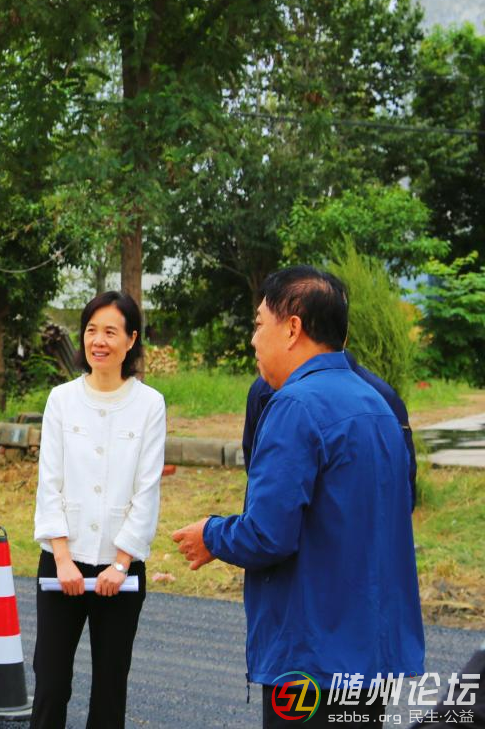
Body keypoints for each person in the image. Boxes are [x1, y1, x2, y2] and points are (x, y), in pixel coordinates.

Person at [173, 266, 424, 728]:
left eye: (258, 324)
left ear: (292, 328)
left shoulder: (295, 405)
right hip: (368, 651)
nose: (254, 339)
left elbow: (268, 535)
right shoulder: (377, 403)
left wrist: (211, 534)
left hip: (313, 657)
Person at [31, 290, 166, 729]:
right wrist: (62, 559)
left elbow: (147, 490)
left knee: (110, 688)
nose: (98, 341)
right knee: (51, 684)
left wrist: (122, 562)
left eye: (110, 331)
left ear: (131, 340)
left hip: (119, 572)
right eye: (91, 330)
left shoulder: (149, 404)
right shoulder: (61, 399)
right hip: (62, 565)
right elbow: (49, 482)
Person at [242, 352, 417, 507]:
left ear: (293, 331)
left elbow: (402, 493)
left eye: (260, 327)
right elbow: (257, 475)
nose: (254, 339)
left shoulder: (383, 398)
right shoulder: (262, 390)